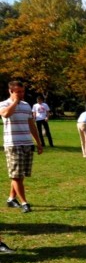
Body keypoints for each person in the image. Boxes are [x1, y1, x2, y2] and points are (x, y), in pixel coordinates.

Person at [0, 80, 43, 213]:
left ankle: (11, 198)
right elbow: (6, 114)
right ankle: (24, 203)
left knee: (21, 174)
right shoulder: (4, 104)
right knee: (16, 176)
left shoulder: (26, 105)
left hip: (27, 143)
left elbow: (31, 124)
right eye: (18, 92)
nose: (21, 94)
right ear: (10, 91)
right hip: (13, 144)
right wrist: (14, 102)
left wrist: (38, 142)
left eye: (22, 91)